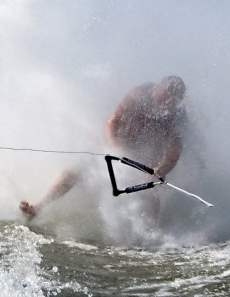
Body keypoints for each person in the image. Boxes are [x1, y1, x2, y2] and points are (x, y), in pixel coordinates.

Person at [19, 76, 187, 222]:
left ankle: (151, 236)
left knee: (150, 190)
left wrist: (162, 169)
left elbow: (173, 153)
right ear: (158, 88)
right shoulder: (140, 94)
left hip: (147, 156)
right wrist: (116, 149)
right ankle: (37, 208)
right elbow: (112, 122)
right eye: (164, 97)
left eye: (172, 101)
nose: (166, 104)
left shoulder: (176, 117)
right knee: (78, 169)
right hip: (118, 145)